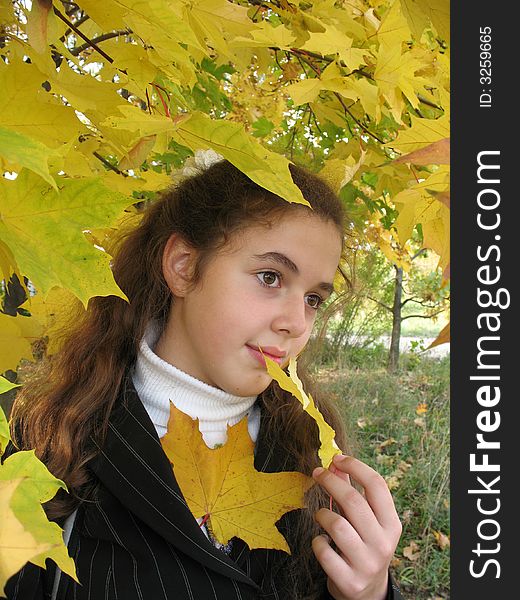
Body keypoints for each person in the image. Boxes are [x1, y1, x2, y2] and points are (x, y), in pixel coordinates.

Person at [4, 157, 403, 600]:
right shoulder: (51, 443)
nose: (296, 322)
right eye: (270, 277)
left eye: (313, 299)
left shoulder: (309, 455)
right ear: (183, 266)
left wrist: (370, 593)